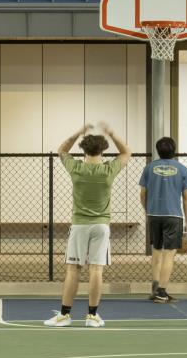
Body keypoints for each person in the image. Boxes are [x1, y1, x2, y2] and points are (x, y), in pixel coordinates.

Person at [47, 123, 130, 328]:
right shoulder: (108, 170)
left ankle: (65, 315)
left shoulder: (76, 168)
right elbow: (127, 152)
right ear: (103, 151)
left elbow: (62, 150)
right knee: (96, 270)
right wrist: (111, 133)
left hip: (79, 226)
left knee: (73, 270)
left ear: (83, 150)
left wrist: (77, 133)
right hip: (101, 226)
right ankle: (92, 316)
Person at [139, 138, 187, 304]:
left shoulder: (149, 168)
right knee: (169, 254)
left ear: (158, 151)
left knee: (156, 251)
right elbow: (186, 198)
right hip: (173, 216)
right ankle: (162, 292)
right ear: (174, 150)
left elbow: (142, 195)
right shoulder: (183, 169)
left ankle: (155, 288)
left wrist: (148, 210)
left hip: (154, 215)